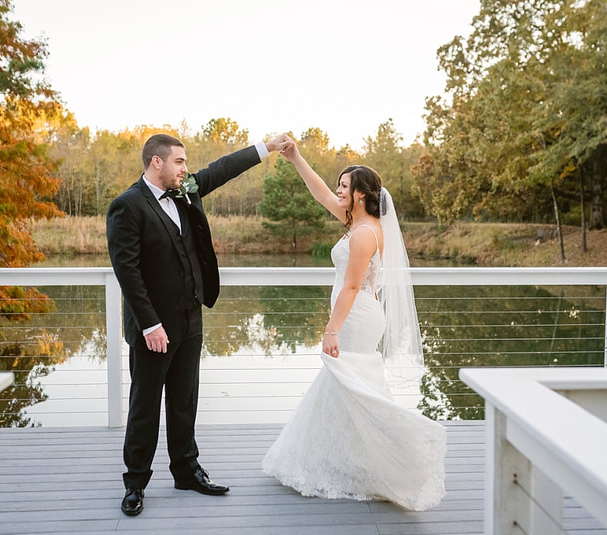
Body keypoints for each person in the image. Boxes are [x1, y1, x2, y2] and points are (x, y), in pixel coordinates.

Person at [107, 132, 290, 516]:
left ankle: (186, 471)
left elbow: (221, 170)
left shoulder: (185, 189)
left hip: (191, 317)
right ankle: (135, 482)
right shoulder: (127, 206)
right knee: (144, 406)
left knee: (185, 400)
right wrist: (149, 325)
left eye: (185, 163)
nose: (185, 169)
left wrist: (266, 147)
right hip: (154, 328)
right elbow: (128, 272)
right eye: (179, 162)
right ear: (156, 162)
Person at [262, 139, 447, 511]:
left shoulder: (364, 233)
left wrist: (331, 329)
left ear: (360, 194)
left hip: (356, 318)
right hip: (358, 313)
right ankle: (347, 458)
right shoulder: (357, 222)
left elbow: (350, 285)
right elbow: (321, 194)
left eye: (345, 187)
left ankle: (401, 448)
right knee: (347, 384)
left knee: (349, 380)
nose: (338, 191)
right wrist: (296, 158)